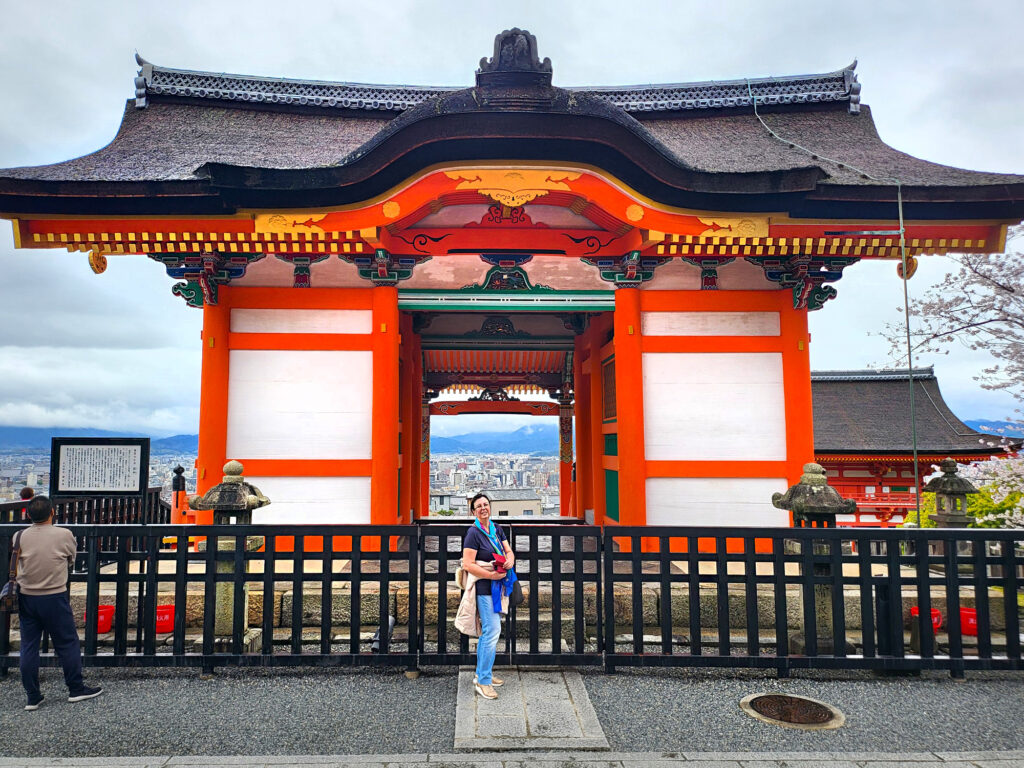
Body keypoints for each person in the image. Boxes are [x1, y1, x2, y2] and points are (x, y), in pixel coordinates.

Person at [16, 495, 102, 711]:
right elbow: (71, 558)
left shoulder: (19, 537)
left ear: (28, 515)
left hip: (27, 596)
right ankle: (75, 688)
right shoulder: (63, 534)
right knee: (67, 642)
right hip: (54, 595)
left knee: (28, 645)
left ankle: (32, 696)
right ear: (52, 513)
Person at [461, 492, 515, 700]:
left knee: (490, 631)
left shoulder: (496, 529)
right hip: (484, 586)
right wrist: (491, 575)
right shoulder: (473, 533)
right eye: (479, 506)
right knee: (492, 631)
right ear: (473, 511)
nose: (483, 508)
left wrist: (509, 559)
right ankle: (483, 681)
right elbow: (468, 564)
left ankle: (484, 673)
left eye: (486, 504)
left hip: (497, 586)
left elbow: (508, 551)